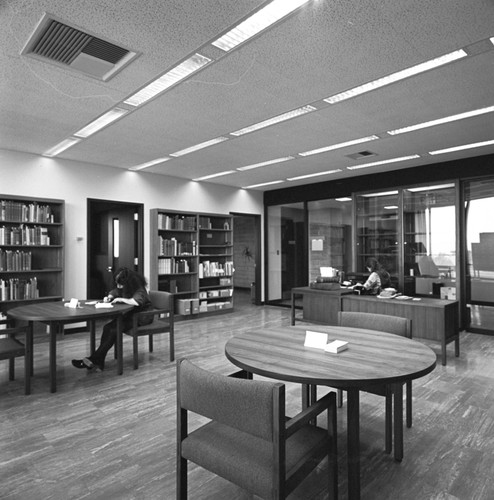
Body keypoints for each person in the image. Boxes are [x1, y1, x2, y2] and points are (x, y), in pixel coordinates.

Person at [72, 267, 153, 371]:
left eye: (121, 283)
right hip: (131, 315)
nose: (119, 286)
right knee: (108, 327)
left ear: (129, 282)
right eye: (117, 283)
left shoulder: (139, 289)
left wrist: (120, 299)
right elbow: (115, 291)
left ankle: (95, 360)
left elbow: (136, 302)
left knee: (113, 329)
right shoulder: (127, 287)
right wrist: (110, 296)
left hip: (142, 317)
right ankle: (98, 361)